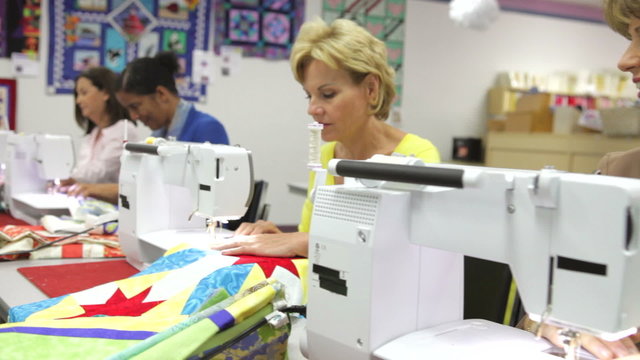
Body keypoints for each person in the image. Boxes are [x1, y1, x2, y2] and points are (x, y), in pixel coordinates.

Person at [212, 18, 440, 257]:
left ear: (371, 89)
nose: (313, 109)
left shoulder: (417, 156)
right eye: (309, 96)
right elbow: (314, 243)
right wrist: (279, 239)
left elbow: (409, 255)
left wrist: (304, 242)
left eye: (327, 94)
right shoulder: (327, 156)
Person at [520, 1, 640, 359]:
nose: (625, 60)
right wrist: (552, 320)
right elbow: (546, 302)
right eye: (631, 37)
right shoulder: (618, 175)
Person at [60, 66, 142, 203]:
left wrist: (67, 178)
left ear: (105, 93)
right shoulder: (93, 134)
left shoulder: (124, 130)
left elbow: (99, 173)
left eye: (84, 93)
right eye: (77, 94)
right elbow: (83, 171)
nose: (78, 100)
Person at [115, 51, 229, 144]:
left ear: (161, 94)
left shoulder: (207, 129)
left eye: (135, 106)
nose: (133, 116)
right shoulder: (158, 136)